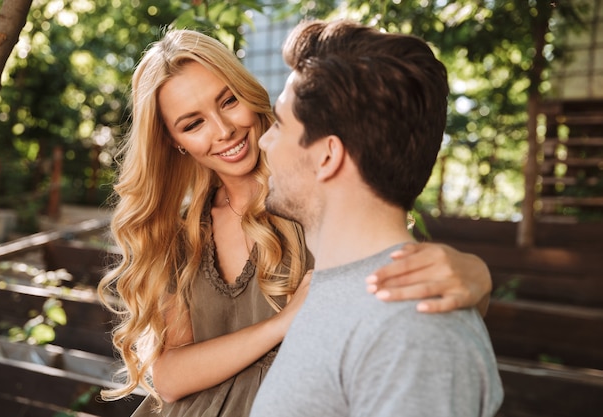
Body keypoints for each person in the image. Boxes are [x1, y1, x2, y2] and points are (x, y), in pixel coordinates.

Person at [97, 27, 495, 417]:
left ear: (249, 93)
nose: (223, 130)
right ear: (174, 141)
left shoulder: (311, 198)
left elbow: (386, 275)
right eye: (193, 123)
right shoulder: (183, 233)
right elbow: (168, 377)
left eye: (229, 100)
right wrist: (281, 324)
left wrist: (477, 277)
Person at [250, 20, 504, 417]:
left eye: (280, 123)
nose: (264, 140)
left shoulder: (413, 330)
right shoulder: (339, 288)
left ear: (327, 156)